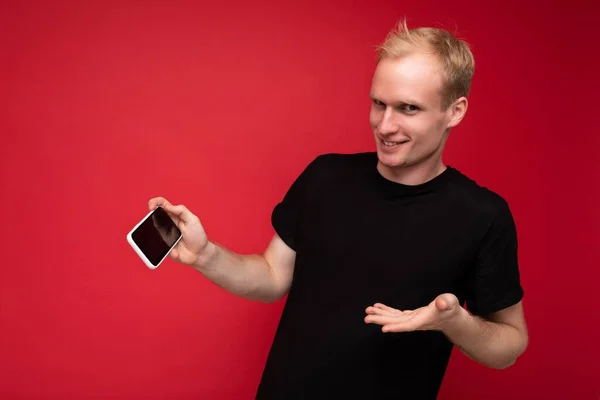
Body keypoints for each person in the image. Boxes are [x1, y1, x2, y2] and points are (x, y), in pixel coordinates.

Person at [148, 19, 528, 400]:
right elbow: (270, 277)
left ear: (455, 111)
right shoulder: (325, 177)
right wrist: (205, 255)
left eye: (408, 108)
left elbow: (510, 346)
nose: (385, 124)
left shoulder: (483, 215)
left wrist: (455, 322)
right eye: (378, 103)